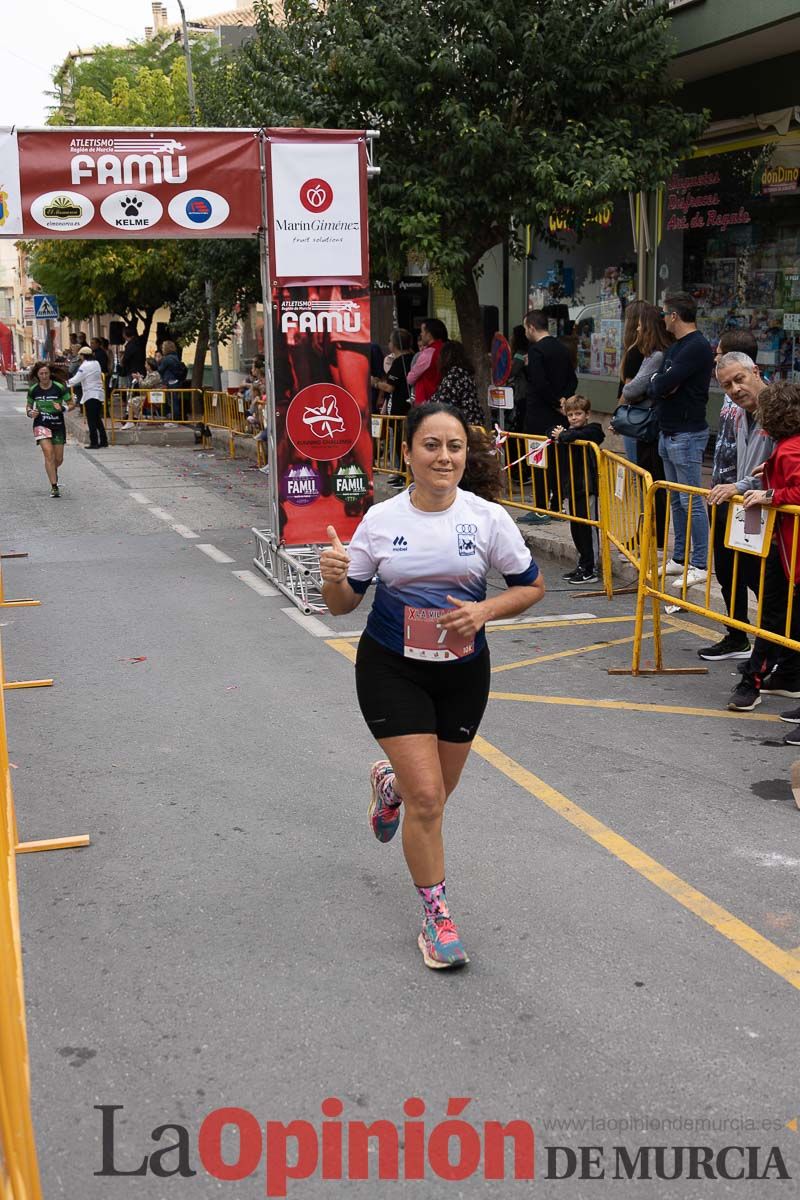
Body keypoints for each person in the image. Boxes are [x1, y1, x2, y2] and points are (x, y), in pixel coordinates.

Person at [319, 403, 544, 969]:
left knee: (436, 794)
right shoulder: (381, 519)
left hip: (463, 671)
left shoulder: (487, 518)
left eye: (455, 447)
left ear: (467, 456)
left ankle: (388, 785)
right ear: (408, 453)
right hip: (391, 667)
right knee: (428, 802)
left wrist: (485, 610)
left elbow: (531, 586)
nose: (444, 457)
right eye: (431, 445)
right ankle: (436, 917)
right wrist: (334, 578)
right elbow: (345, 605)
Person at [727, 382, 800, 719]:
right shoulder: (786, 448)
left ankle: (753, 681)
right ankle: (783, 675)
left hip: (790, 550)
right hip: (787, 547)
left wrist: (770, 495)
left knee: (773, 616)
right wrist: (769, 473)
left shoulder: (789, 449)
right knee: (782, 616)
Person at [700, 346, 774, 660]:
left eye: (739, 380)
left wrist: (739, 487)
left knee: (770, 588)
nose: (735, 389)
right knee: (736, 572)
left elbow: (777, 467)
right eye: (727, 385)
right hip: (747, 505)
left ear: (756, 371)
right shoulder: (744, 411)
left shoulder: (779, 410)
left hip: (773, 508)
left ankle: (779, 654)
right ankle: (741, 637)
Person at [649, 291, 714, 588]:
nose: (662, 319)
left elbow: (664, 383)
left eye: (664, 313)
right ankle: (679, 558)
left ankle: (700, 562)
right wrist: (661, 383)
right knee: (677, 500)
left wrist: (661, 383)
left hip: (686, 433)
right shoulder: (677, 347)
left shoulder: (697, 346)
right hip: (669, 430)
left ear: (674, 315)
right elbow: (660, 384)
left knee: (692, 500)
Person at [518, 309, 578, 524]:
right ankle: (556, 506)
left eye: (526, 328)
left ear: (532, 327)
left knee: (538, 461)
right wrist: (564, 401)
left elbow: (539, 382)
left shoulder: (536, 351)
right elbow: (572, 379)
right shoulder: (561, 348)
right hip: (559, 416)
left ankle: (541, 508)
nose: (525, 333)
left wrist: (554, 402)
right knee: (556, 461)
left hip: (539, 415)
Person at [550, 394, 605, 584]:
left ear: (588, 414)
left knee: (588, 527)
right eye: (570, 414)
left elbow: (588, 435)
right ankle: (582, 562)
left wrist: (563, 435)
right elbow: (555, 436)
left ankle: (592, 568)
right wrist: (559, 435)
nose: (574, 418)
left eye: (578, 414)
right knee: (576, 528)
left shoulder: (593, 430)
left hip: (586, 487)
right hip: (570, 488)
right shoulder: (567, 433)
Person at [373, 329, 415, 487]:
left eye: (390, 341)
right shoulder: (412, 358)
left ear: (395, 344)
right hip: (406, 407)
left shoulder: (400, 361)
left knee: (400, 442)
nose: (388, 344)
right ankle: (402, 473)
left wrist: (375, 383)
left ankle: (404, 474)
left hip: (400, 408)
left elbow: (390, 387)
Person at [25, 362, 71, 497]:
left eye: (46, 373)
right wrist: (30, 413)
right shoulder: (33, 389)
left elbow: (71, 404)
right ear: (37, 375)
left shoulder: (59, 388)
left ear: (50, 374)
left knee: (59, 459)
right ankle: (54, 486)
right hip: (41, 424)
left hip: (57, 425)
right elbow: (28, 406)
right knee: (48, 453)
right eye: (41, 374)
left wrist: (63, 408)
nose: (44, 376)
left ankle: (53, 471)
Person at [616, 300, 647, 463]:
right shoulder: (642, 349)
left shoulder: (636, 351)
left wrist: (617, 416)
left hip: (633, 416)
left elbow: (629, 388)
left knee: (637, 468)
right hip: (639, 415)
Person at [430, 340, 485, 426]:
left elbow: (443, 401)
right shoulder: (464, 373)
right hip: (471, 421)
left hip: (461, 425)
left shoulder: (454, 375)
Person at [70, 345, 108, 448]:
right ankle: (104, 441)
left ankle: (94, 443)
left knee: (91, 420)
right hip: (99, 394)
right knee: (97, 419)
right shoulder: (96, 363)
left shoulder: (84, 366)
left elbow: (77, 378)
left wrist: (66, 383)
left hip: (90, 395)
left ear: (82, 356)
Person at [406, 318, 448, 406]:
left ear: (429, 335)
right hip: (443, 400)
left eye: (422, 331)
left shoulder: (428, 352)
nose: (421, 334)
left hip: (426, 400)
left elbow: (410, 378)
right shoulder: (446, 349)